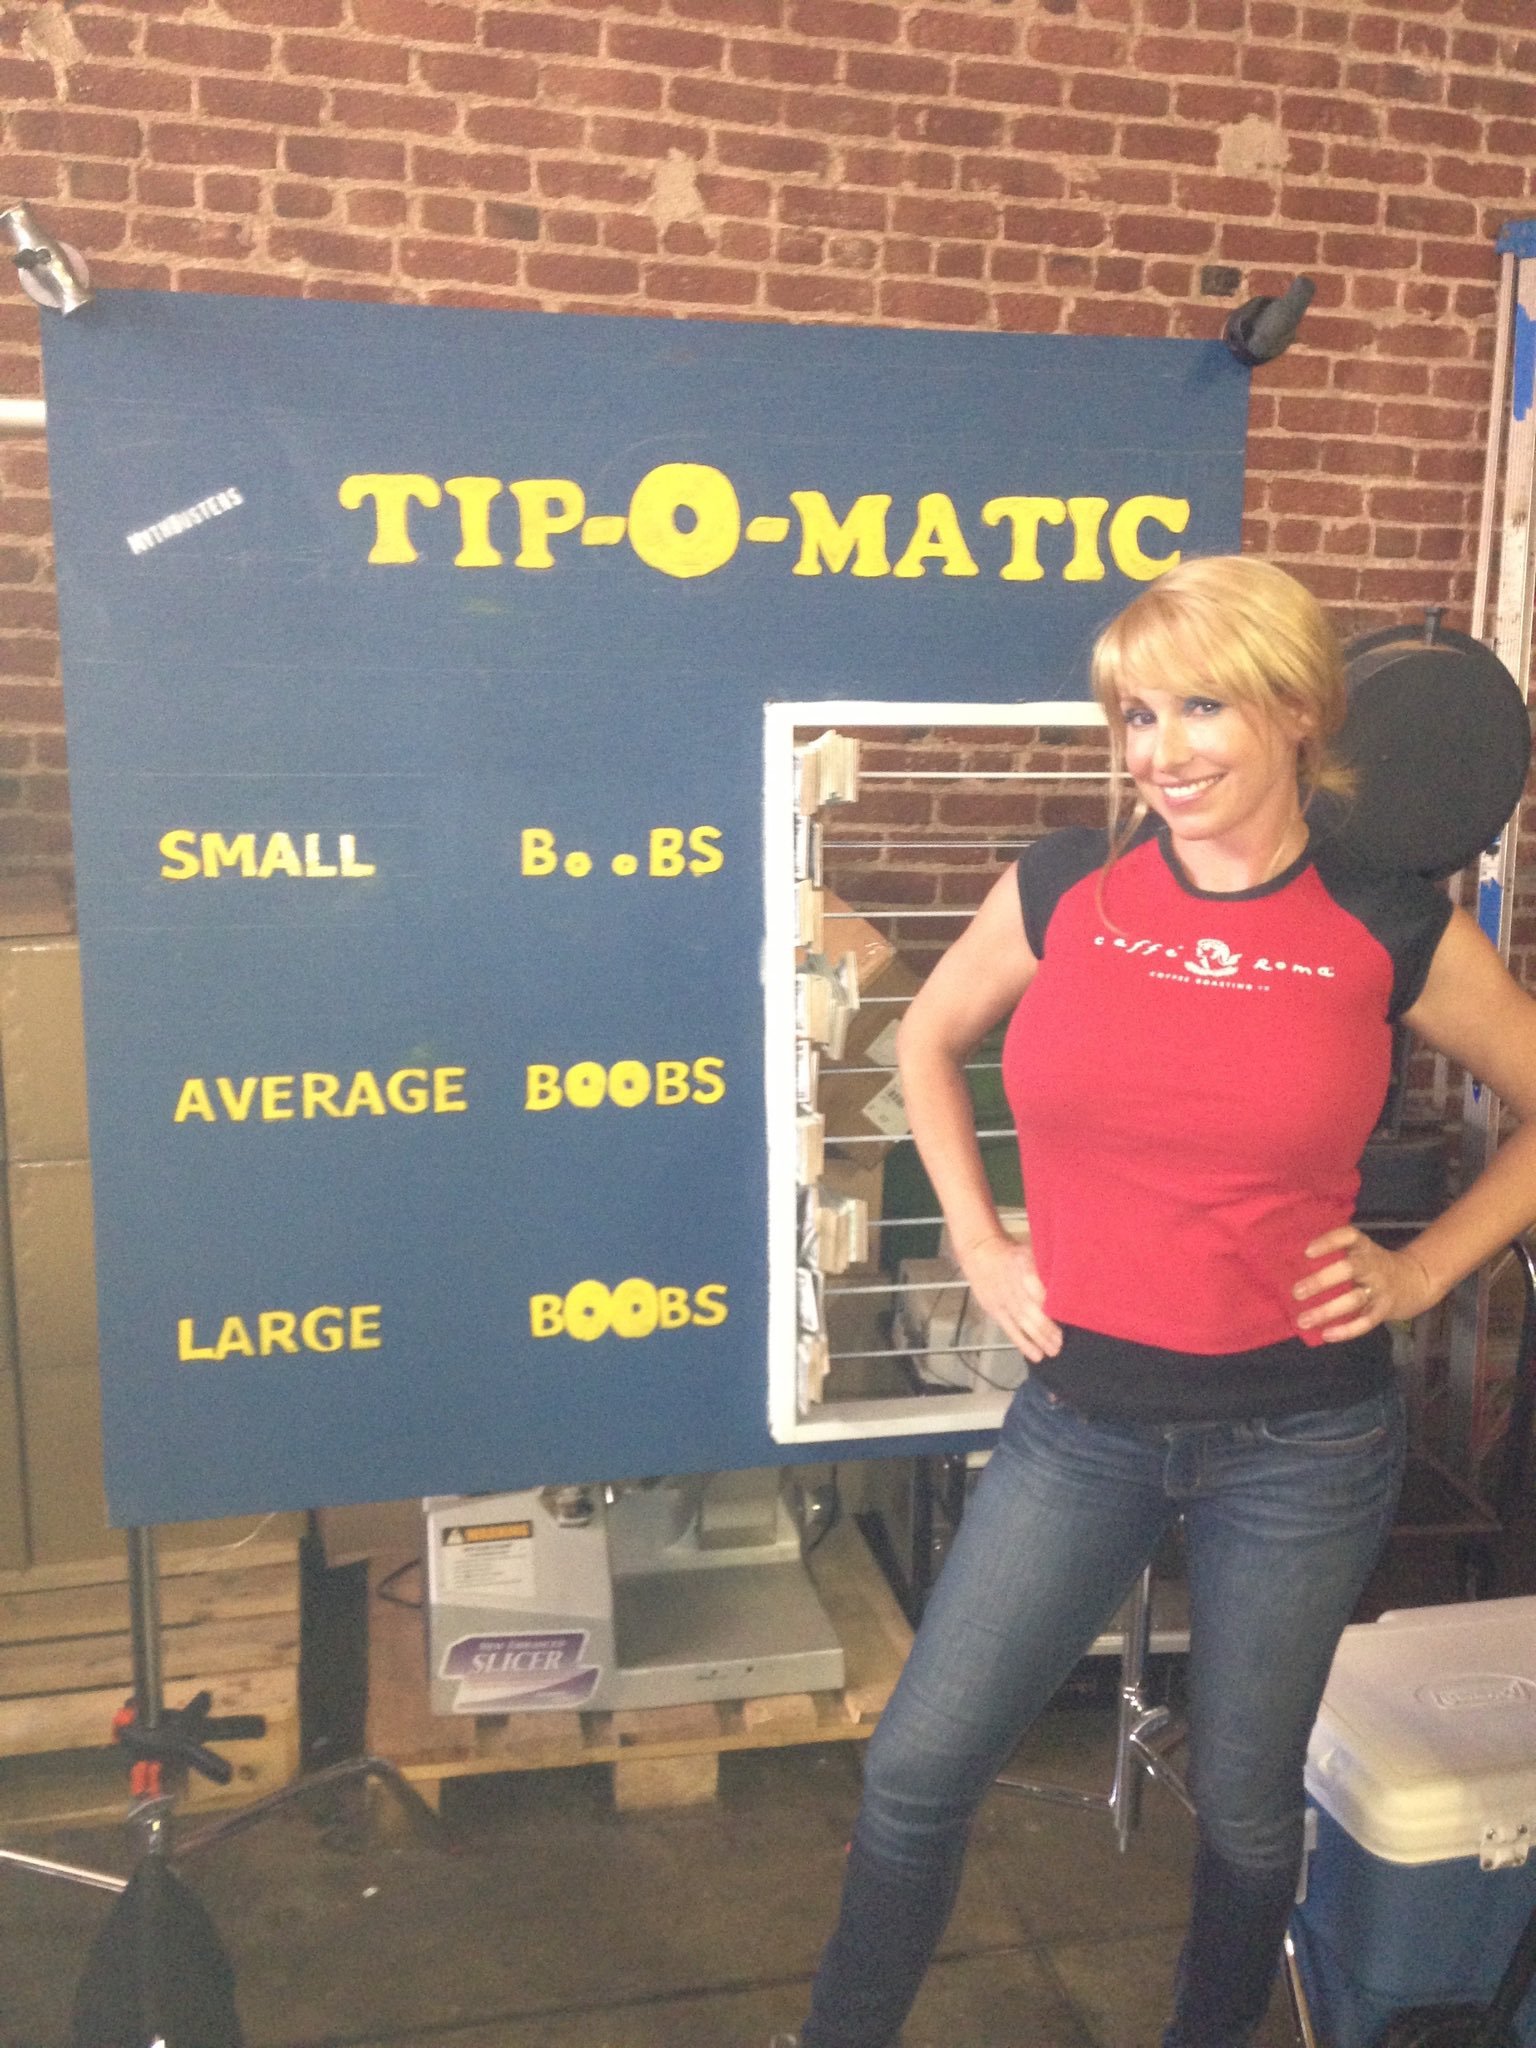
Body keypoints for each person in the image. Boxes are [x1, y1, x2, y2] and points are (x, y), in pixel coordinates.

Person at [783, 555, 1536, 2048]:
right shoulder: (1066, 885)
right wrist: (981, 1245)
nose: (1161, 751)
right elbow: (926, 1039)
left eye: (1202, 708)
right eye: (1136, 715)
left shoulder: (1386, 925)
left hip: (1302, 1443)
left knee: (1247, 1809)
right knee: (917, 1772)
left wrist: (1422, 1269)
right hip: (1083, 1424)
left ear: (1297, 713)